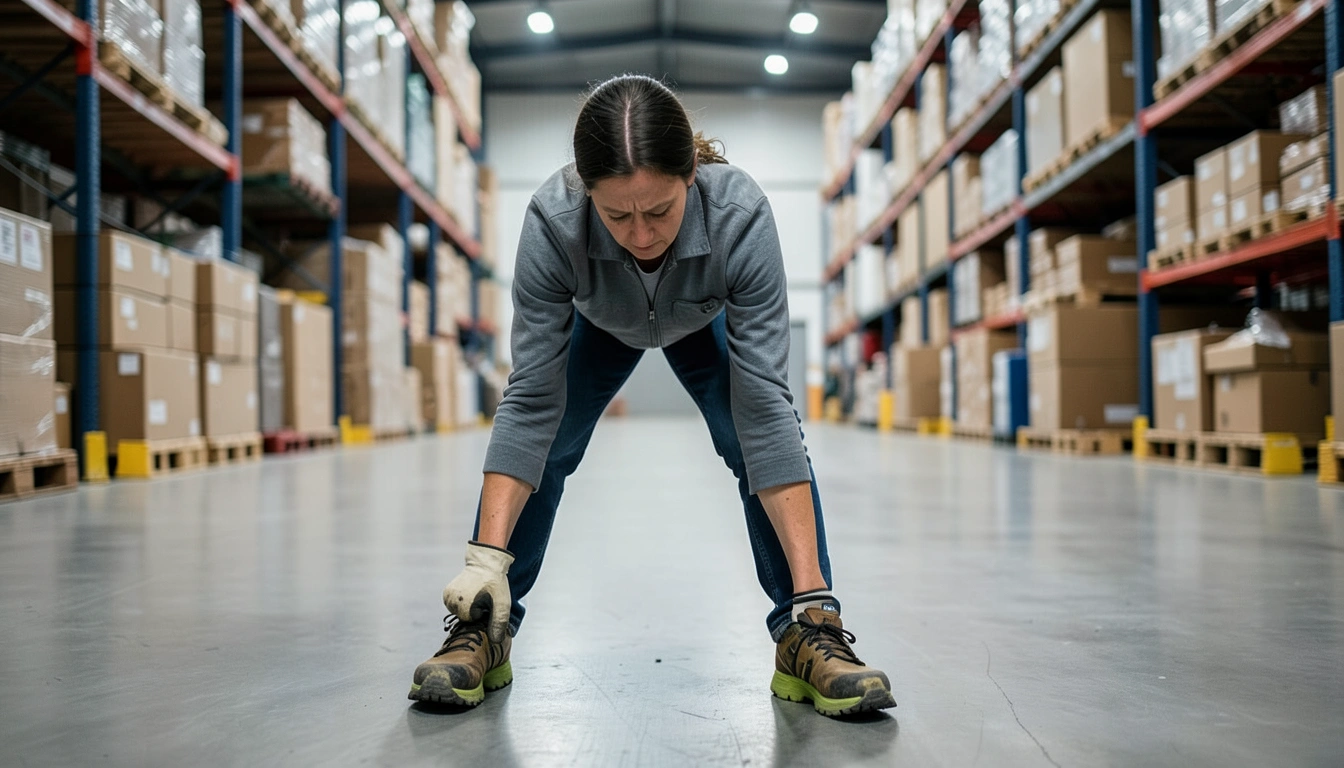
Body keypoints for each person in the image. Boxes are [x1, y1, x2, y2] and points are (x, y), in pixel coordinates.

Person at [408, 74, 896, 717]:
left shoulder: (739, 215)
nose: (640, 234)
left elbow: (768, 411)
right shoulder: (553, 222)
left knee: (752, 438)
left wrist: (816, 597)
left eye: (659, 211)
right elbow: (528, 399)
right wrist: (484, 562)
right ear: (588, 195)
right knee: (547, 445)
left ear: (691, 173)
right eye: (616, 216)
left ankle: (808, 632)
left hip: (700, 318)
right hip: (600, 323)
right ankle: (484, 624)